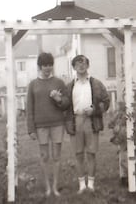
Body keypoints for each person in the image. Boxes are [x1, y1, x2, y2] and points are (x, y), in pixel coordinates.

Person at [64, 54, 110, 194]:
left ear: (87, 65)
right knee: (78, 155)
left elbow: (106, 102)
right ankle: (81, 185)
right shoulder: (70, 86)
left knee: (91, 154)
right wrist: (58, 99)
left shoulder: (96, 83)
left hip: (91, 121)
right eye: (78, 64)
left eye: (83, 63)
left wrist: (95, 109)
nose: (81, 66)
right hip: (75, 121)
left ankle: (91, 184)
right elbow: (65, 105)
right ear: (74, 67)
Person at [26, 52, 68, 197]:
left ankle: (55, 187)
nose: (48, 68)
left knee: (56, 156)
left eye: (50, 64)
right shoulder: (33, 84)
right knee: (44, 156)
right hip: (40, 126)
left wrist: (58, 99)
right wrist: (31, 128)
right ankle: (48, 187)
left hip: (57, 124)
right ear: (40, 66)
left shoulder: (59, 82)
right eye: (45, 65)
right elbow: (29, 108)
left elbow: (67, 104)